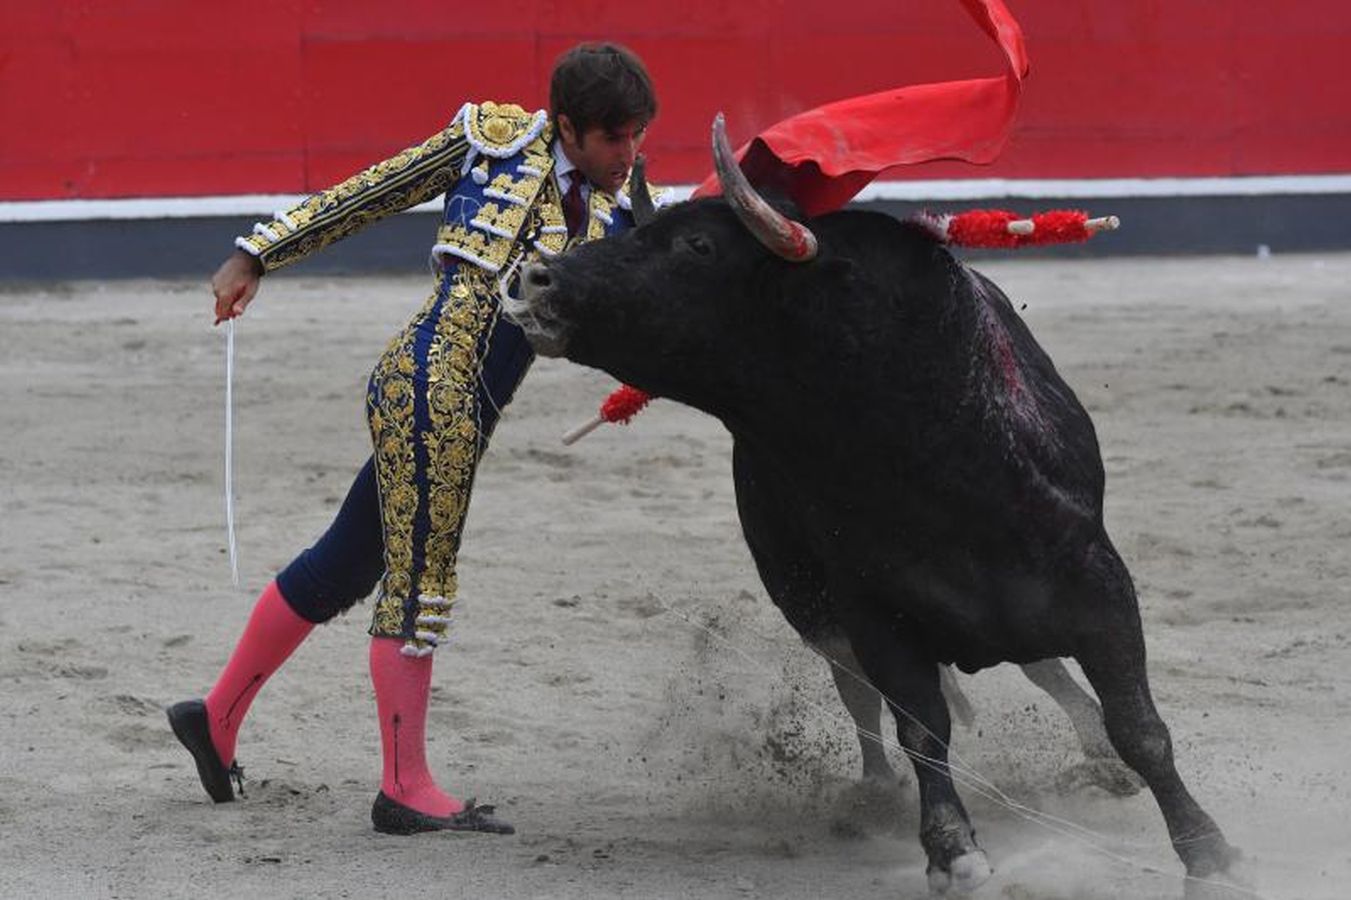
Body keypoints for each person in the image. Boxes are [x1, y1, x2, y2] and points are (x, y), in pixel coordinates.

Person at [168, 42, 660, 835]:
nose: (628, 153)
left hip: (470, 405)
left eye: (637, 135)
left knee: (345, 561)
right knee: (419, 583)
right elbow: (373, 190)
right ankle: (404, 787)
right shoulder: (493, 141)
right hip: (430, 385)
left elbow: (660, 305)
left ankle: (214, 719)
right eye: (613, 137)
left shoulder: (630, 207)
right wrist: (255, 253)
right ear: (567, 127)